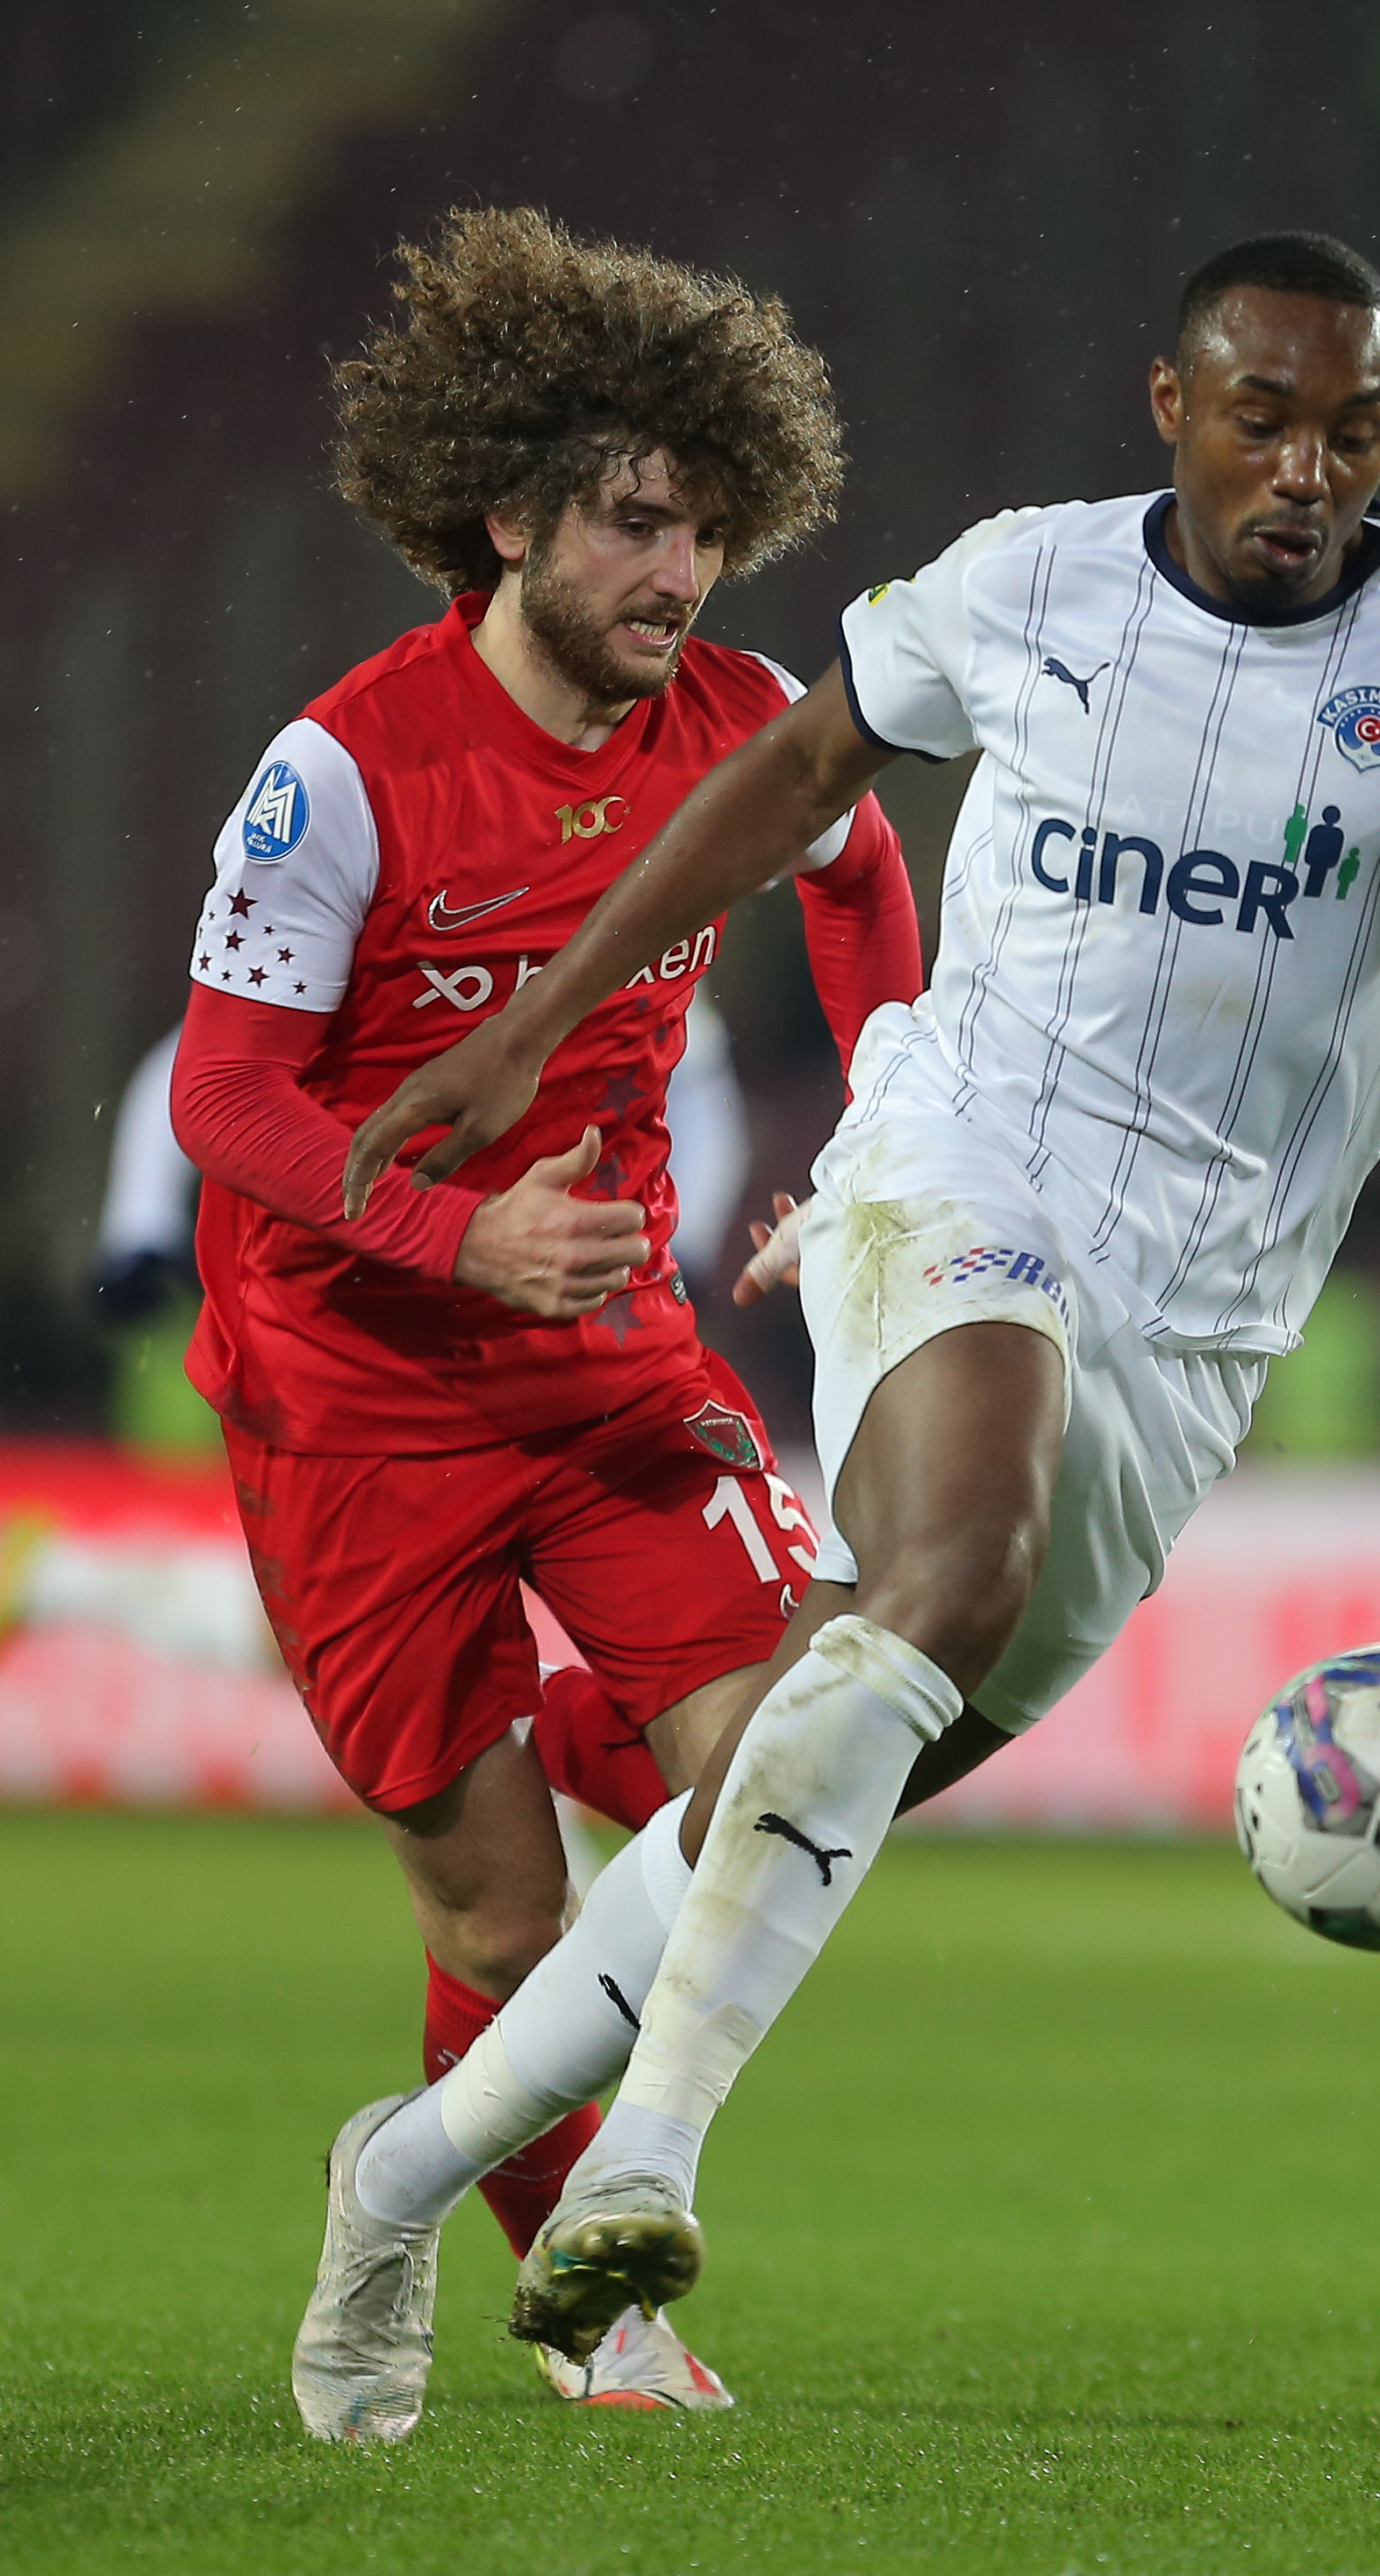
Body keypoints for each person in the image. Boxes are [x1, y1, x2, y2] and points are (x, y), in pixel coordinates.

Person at [339, 229, 1380, 2373]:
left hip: (1193, 1322)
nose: (1307, 467)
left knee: (808, 1779)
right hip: (961, 1160)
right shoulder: (1024, 582)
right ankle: (648, 2159)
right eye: (1264, 419)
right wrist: (539, 1018)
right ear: (1172, 407)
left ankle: (399, 2173)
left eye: (1354, 429)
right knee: (951, 1569)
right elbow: (797, 773)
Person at [169, 206, 926, 2436]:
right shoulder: (342, 771)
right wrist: (453, 1232)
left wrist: (880, 1130)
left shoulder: (746, 721)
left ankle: (581, 2251)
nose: (674, 572)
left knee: (792, 1762)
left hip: (608, 1366)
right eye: (626, 522)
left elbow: (865, 880)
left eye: (700, 526)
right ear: (503, 516)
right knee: (502, 1925)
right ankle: (488, 2238)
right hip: (352, 1396)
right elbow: (224, 1095)